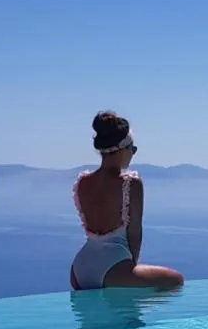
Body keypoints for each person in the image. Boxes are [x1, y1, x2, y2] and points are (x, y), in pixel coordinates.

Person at [70, 111, 185, 291]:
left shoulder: (82, 182)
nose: (133, 154)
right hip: (114, 267)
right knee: (175, 281)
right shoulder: (131, 184)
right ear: (123, 149)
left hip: (80, 267)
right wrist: (130, 269)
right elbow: (135, 233)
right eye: (133, 149)